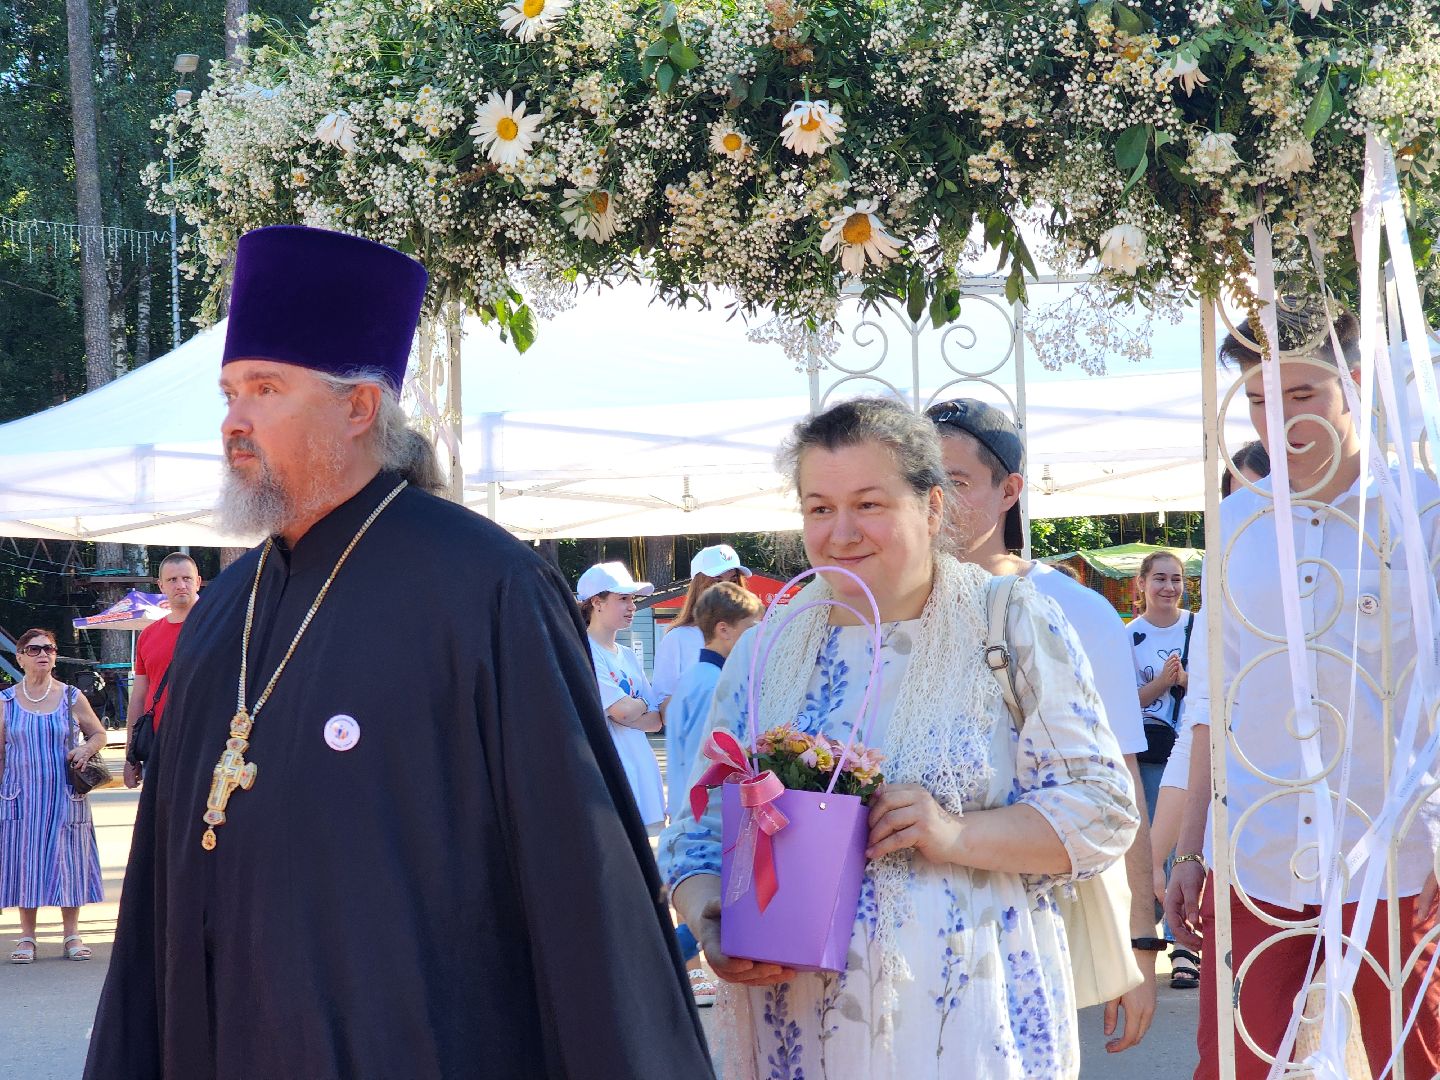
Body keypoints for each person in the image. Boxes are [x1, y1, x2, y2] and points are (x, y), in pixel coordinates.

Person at [85, 225, 713, 1079]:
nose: (234, 421)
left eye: (265, 389)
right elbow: (156, 905)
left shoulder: (487, 587)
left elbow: (580, 880)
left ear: (358, 408)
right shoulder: (223, 610)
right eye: (230, 393)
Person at [661, 397, 1138, 1078]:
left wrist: (955, 834)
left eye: (869, 504)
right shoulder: (765, 650)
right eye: (819, 508)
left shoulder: (1008, 623)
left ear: (933, 507)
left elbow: (1104, 808)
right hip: (796, 1038)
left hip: (970, 1035)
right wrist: (711, 917)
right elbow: (697, 834)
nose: (842, 532)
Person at [1165, 314, 1440, 1079]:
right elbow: (1212, 699)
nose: (1278, 420)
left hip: (1397, 857)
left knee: (1416, 1061)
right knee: (1236, 1063)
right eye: (1258, 400)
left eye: (1301, 394)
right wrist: (1190, 848)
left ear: (1355, 384)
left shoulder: (1423, 514)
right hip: (1259, 854)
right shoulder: (1235, 525)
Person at [927, 398, 1160, 1050]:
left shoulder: (1074, 610)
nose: (936, 502)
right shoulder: (888, 610)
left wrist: (1140, 943)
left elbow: (1119, 782)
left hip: (1034, 926)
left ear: (1010, 491)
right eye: (923, 481)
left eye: (957, 481)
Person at [1, 628, 107, 964]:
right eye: (33, 649)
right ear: (20, 657)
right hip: (21, 794)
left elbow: (98, 733)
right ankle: (27, 937)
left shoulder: (71, 696)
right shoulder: (5, 701)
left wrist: (86, 749)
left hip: (65, 793)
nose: (43, 654)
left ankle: (72, 934)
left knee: (69, 861)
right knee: (25, 862)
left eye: (48, 648)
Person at [1126, 549, 1198, 989]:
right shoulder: (1129, 636)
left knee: (1186, 846)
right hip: (1151, 754)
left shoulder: (1198, 628)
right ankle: (1156, 934)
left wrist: (1185, 679)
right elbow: (1123, 698)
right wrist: (1163, 682)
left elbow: (1215, 686)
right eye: (1160, 578)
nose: (1168, 587)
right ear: (1142, 583)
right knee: (1154, 845)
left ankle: (1183, 942)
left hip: (1193, 748)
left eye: (1176, 579)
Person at [663, 581, 762, 822]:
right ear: (724, 630)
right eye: (751, 628)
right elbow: (703, 758)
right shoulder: (713, 684)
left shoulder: (695, 676)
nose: (758, 637)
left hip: (691, 809)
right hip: (703, 814)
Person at [578, 561, 666, 829]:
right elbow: (624, 711)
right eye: (623, 599)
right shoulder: (585, 651)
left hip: (641, 772)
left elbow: (656, 721)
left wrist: (632, 707)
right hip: (610, 774)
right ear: (597, 602)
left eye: (632, 599)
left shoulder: (627, 655)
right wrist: (637, 706)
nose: (632, 607)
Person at [124, 551, 203, 787]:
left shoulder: (219, 626)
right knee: (161, 811)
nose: (181, 585)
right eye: (172, 580)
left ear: (198, 581)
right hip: (159, 745)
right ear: (161, 586)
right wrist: (130, 756)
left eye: (187, 578)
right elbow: (139, 697)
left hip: (206, 744)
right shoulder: (148, 635)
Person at [650, 543, 752, 709]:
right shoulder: (678, 638)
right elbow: (662, 707)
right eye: (717, 582)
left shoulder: (751, 635)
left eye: (733, 581)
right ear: (699, 587)